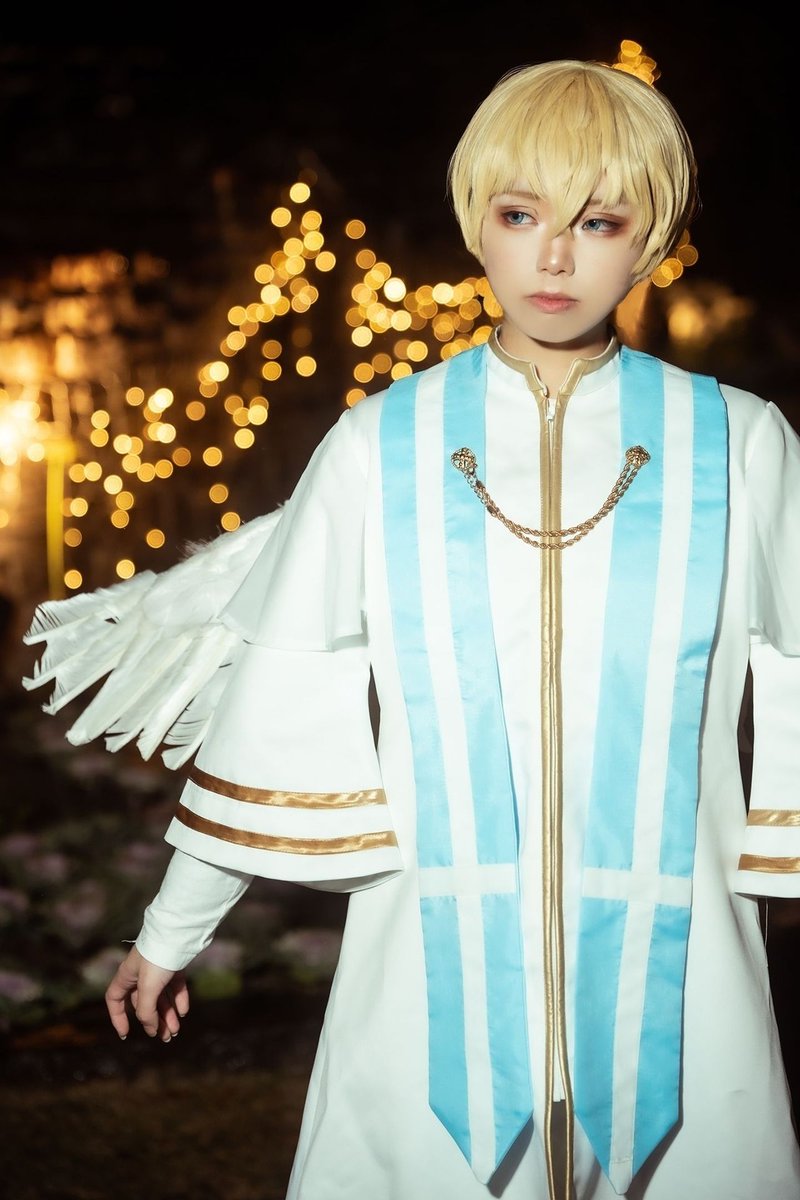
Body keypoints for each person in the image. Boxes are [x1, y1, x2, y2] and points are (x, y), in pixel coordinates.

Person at [22, 59, 800, 1200]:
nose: (552, 258)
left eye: (596, 222)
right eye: (520, 215)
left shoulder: (737, 445)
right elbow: (284, 687)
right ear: (475, 220)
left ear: (651, 239)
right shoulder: (381, 444)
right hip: (426, 962)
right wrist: (172, 928)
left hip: (684, 970)